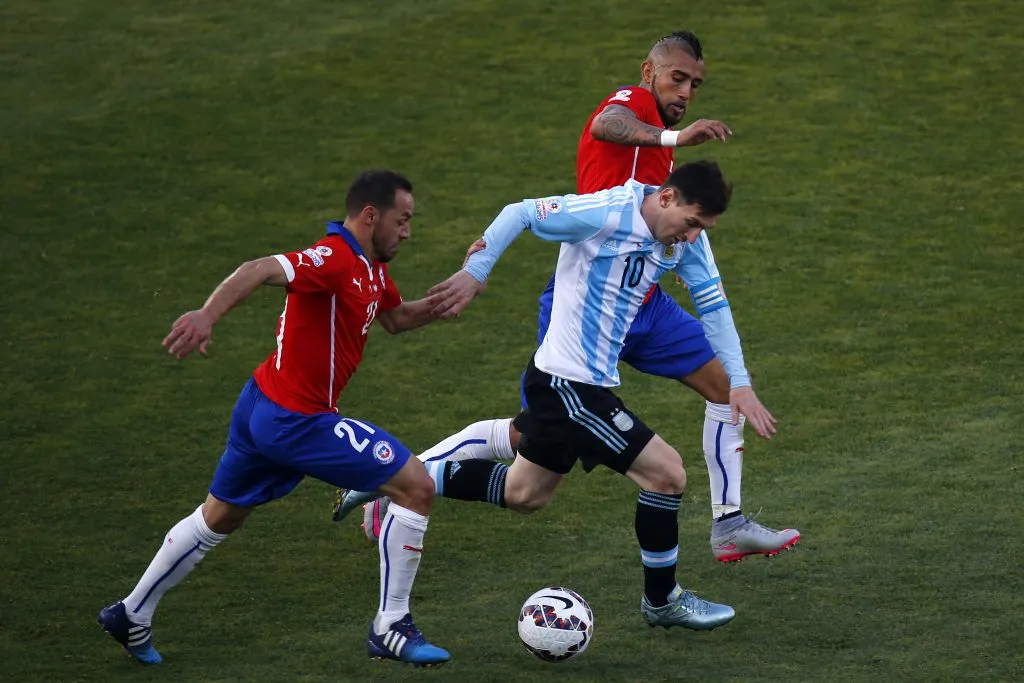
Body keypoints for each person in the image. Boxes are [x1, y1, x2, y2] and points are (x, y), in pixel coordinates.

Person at [334, 31, 799, 563]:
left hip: (643, 302)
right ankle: (394, 476)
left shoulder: (666, 180)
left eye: (695, 83)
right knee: (530, 437)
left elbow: (706, 289)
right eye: (678, 77)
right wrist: (673, 140)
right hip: (583, 304)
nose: (686, 92)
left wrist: (675, 244)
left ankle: (728, 522)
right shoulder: (632, 106)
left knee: (725, 386)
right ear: (648, 73)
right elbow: (606, 125)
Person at [97, 171, 450, 667]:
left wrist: (449, 299)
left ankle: (131, 613)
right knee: (415, 486)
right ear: (371, 216)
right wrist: (207, 315)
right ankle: (391, 625)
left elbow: (395, 318)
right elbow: (258, 268)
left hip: (262, 402)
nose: (408, 231)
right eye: (403, 219)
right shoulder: (335, 258)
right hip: (296, 420)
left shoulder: (370, 268)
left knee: (218, 517)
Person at [431, 161, 738, 630]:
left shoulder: (676, 241)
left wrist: (742, 383)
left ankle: (396, 474)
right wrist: (476, 270)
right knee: (667, 474)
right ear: (668, 198)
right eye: (693, 223)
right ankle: (662, 601)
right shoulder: (607, 211)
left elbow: (714, 307)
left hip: (569, 383)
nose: (694, 236)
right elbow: (521, 212)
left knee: (525, 493)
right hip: (567, 386)